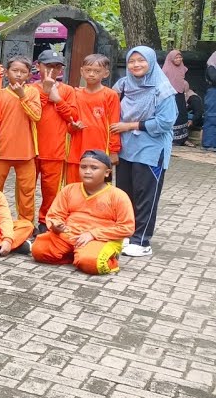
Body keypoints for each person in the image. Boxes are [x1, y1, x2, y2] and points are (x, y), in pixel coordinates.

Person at [113, 47, 178, 258]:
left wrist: (130, 126)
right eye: (132, 61)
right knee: (125, 194)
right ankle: (126, 233)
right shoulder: (124, 84)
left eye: (141, 60)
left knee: (145, 196)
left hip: (151, 150)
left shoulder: (162, 88)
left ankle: (142, 240)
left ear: (151, 62)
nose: (136, 65)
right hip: (126, 148)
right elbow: (108, 105)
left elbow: (166, 122)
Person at [32, 150, 134, 274]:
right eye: (83, 167)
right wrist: (56, 226)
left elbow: (127, 228)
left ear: (107, 173)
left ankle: (106, 257)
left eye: (94, 168)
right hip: (69, 236)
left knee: (91, 263)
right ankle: (76, 255)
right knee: (39, 250)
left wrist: (93, 234)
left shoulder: (118, 196)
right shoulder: (69, 189)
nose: (87, 171)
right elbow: (55, 215)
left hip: (100, 239)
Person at [0, 57, 41, 226]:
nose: (19, 75)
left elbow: (36, 116)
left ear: (29, 75)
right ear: (7, 73)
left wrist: (23, 97)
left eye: (23, 72)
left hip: (26, 151)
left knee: (27, 191)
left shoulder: (32, 92)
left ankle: (26, 225)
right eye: (15, 71)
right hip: (1, 151)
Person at [33, 50, 77, 223]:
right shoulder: (30, 89)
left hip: (55, 150)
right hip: (31, 149)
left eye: (57, 66)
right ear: (38, 67)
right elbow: (31, 112)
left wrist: (58, 99)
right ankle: (26, 221)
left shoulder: (67, 90)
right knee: (27, 190)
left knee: (52, 190)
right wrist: (45, 93)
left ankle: (46, 221)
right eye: (48, 66)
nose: (53, 70)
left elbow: (73, 116)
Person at [66, 54, 121, 183]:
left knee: (99, 190)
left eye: (97, 71)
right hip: (76, 150)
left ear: (106, 74)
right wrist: (72, 127)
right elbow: (68, 122)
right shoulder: (75, 93)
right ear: (82, 71)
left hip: (100, 151)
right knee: (74, 188)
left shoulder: (110, 95)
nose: (91, 74)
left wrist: (113, 151)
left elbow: (114, 124)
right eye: (88, 70)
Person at [205, 50, 216, 150]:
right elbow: (214, 78)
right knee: (212, 117)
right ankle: (209, 143)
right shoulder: (212, 65)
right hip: (213, 92)